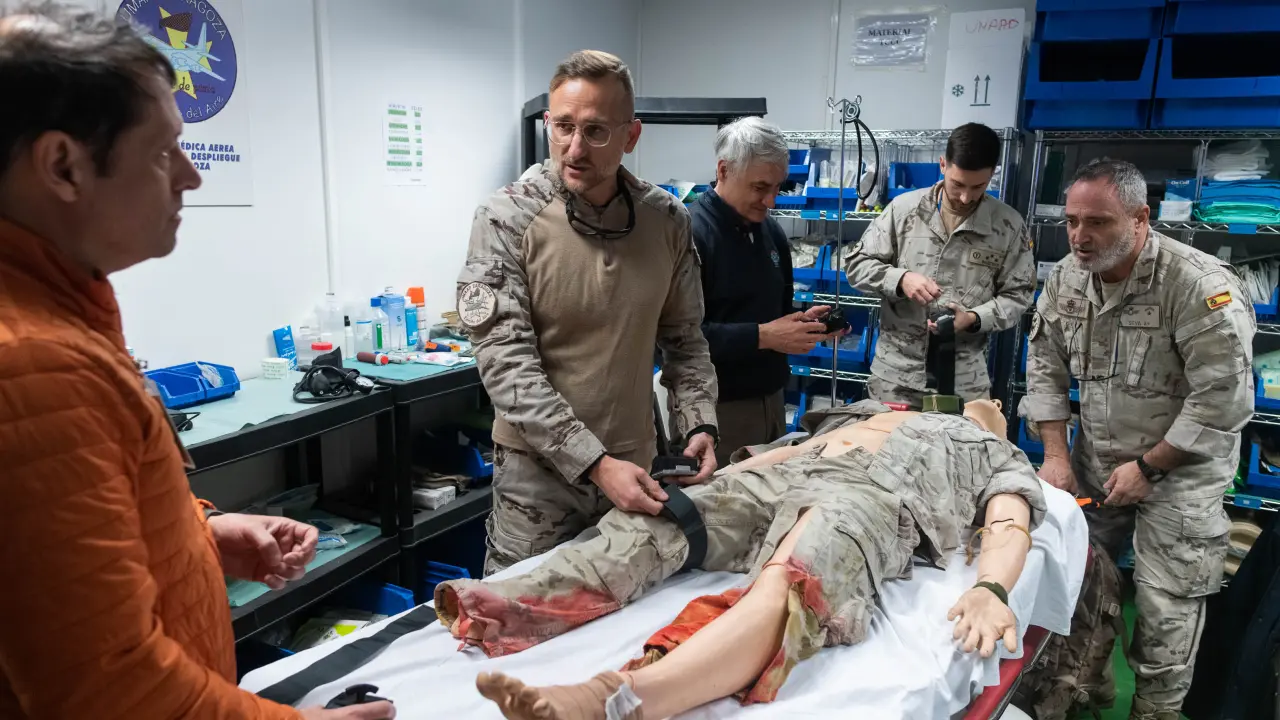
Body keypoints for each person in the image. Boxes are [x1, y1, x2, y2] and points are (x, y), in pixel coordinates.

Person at [0, 7, 392, 719]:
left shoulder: (55, 320)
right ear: (63, 166)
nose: (190, 177)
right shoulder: (33, 368)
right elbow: (108, 691)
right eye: (162, 152)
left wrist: (194, 538)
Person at [434, 399, 1046, 720]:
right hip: (785, 475)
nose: (977, 402)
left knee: (797, 574)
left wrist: (991, 587)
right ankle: (506, 606)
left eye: (988, 403)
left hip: (872, 494)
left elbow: (1009, 518)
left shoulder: (991, 448)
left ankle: (619, 699)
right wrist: (711, 487)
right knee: (659, 520)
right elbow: (786, 455)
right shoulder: (868, 412)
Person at [458, 49, 719, 576]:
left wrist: (699, 424)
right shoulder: (507, 217)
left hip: (636, 467)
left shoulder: (666, 220)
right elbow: (507, 365)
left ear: (631, 135)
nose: (575, 148)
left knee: (624, 606)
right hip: (539, 481)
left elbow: (685, 339)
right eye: (563, 127)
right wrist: (595, 463)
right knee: (523, 608)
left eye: (596, 131)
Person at [1021, 159, 1255, 720]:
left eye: (1097, 222)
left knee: (1164, 606)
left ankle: (1154, 711)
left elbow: (1224, 400)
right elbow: (1045, 366)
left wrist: (1150, 468)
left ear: (1140, 218)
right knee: (1076, 579)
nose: (1080, 236)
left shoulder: (1197, 285)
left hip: (1180, 473)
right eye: (1072, 221)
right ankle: (1082, 688)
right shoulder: (1068, 277)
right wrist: (1055, 456)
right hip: (1097, 461)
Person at [687, 116, 844, 466]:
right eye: (760, 188)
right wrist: (764, 336)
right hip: (717, 411)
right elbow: (678, 339)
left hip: (772, 401)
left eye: (777, 188)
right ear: (724, 170)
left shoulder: (770, 232)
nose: (771, 200)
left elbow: (773, 314)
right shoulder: (691, 234)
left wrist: (801, 323)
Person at [847, 122, 1035, 407]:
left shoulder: (1008, 225)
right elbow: (857, 265)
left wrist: (974, 318)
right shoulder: (903, 210)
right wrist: (900, 279)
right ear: (943, 165)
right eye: (957, 184)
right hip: (896, 378)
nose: (965, 197)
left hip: (964, 382)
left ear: (992, 174)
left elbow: (1019, 295)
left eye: (978, 186)